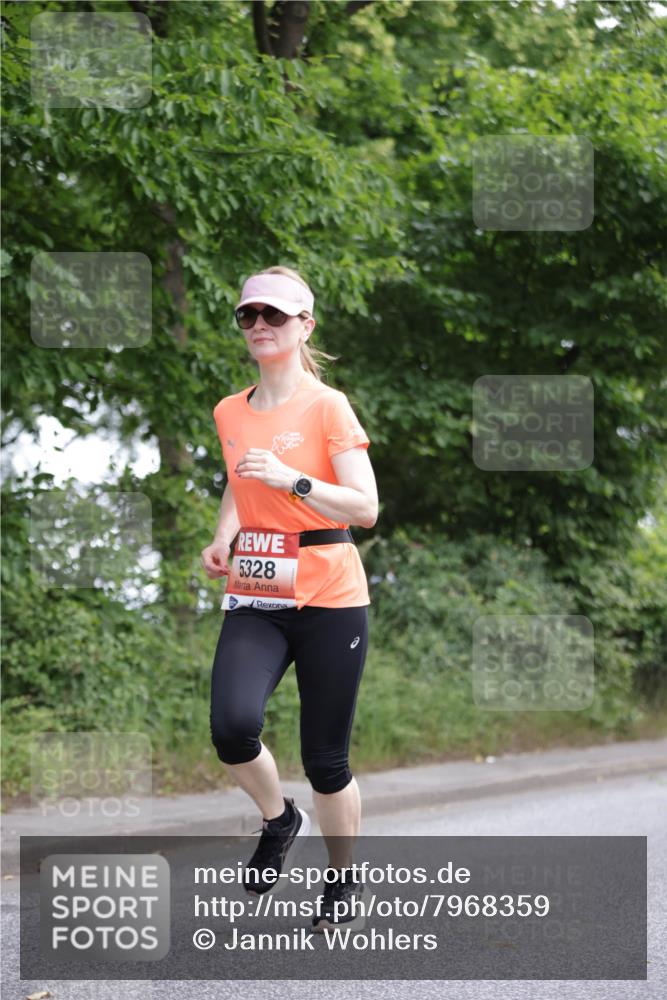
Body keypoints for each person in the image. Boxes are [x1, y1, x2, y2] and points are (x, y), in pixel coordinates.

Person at [201, 265, 378, 931]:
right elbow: (236, 482)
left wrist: (292, 480)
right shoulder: (228, 410)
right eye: (248, 315)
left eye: (273, 315)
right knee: (231, 726)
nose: (258, 327)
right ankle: (279, 821)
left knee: (325, 760)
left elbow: (365, 507)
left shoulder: (327, 406)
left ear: (304, 325)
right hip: (258, 583)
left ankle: (341, 879)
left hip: (331, 591)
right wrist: (223, 535)